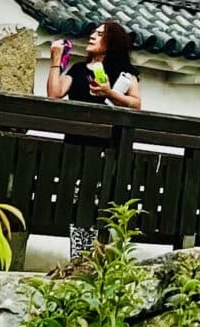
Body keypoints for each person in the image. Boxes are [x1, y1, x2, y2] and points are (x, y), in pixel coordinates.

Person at [48, 20, 140, 257]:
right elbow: (54, 95)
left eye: (99, 34)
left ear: (111, 43)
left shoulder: (123, 74)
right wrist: (56, 60)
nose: (92, 36)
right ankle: (79, 257)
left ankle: (95, 258)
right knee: (77, 206)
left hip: (104, 152)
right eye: (93, 32)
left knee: (98, 207)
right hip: (75, 148)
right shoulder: (79, 69)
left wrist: (109, 92)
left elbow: (136, 104)